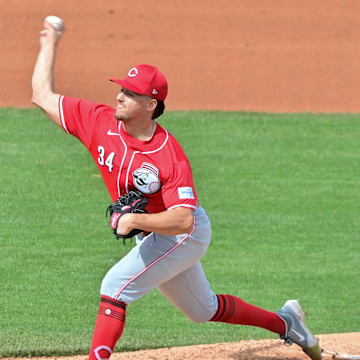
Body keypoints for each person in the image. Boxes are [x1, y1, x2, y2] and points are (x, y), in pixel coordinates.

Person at [31, 20, 322, 360]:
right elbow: (41, 95)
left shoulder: (168, 155)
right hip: (158, 234)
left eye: (129, 93)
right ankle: (287, 323)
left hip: (184, 235)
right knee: (203, 309)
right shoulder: (98, 121)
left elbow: (183, 220)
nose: (118, 96)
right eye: (121, 89)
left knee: (114, 287)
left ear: (151, 104)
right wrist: (50, 42)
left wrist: (134, 221)